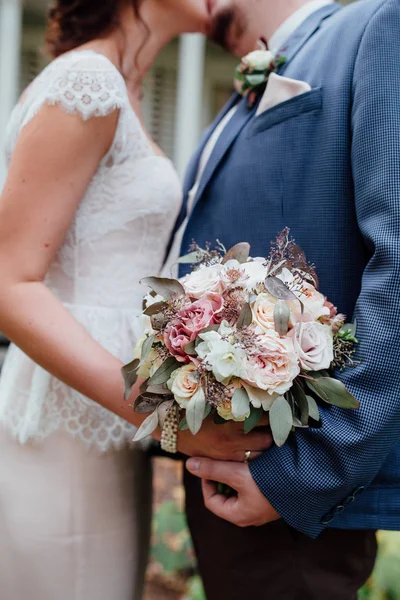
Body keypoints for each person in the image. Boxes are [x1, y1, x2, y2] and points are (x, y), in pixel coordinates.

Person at [0, 1, 272, 598]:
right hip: (68, 430)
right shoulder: (88, 80)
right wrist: (166, 413)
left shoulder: (119, 85)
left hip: (107, 422)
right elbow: (9, 283)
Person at [165, 0, 400, 597]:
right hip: (227, 471)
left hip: (294, 487)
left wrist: (304, 475)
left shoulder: (376, 24)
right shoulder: (234, 100)